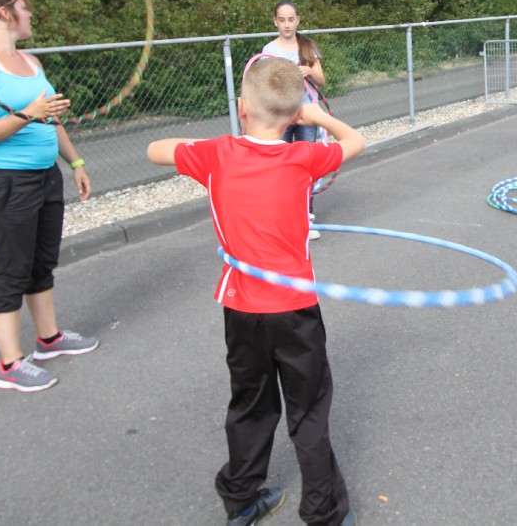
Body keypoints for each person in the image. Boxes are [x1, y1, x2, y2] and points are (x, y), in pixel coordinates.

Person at [147, 56, 363, 526]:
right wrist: (316, 115)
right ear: (294, 116)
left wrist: (201, 144)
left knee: (250, 403)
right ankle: (324, 513)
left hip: (242, 309)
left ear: (242, 107)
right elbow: (356, 141)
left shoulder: (216, 154)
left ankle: (241, 500)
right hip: (295, 309)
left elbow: (154, 149)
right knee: (308, 411)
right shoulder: (304, 157)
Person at [0, 0, 97, 393]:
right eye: (24, 7)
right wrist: (28, 113)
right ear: (5, 12)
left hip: (45, 177)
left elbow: (51, 118)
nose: (30, 14)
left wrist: (75, 162)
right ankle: (10, 364)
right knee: (12, 269)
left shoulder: (30, 62)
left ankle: (48, 339)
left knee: (41, 263)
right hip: (3, 184)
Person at [262, 1, 326, 237]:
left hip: (306, 114)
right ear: (275, 22)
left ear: (298, 20)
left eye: (291, 19)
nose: (287, 25)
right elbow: (264, 84)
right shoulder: (269, 50)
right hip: (281, 116)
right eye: (282, 20)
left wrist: (309, 71)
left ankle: (305, 217)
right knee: (281, 167)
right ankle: (283, 217)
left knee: (305, 165)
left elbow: (322, 80)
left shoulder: (307, 46)